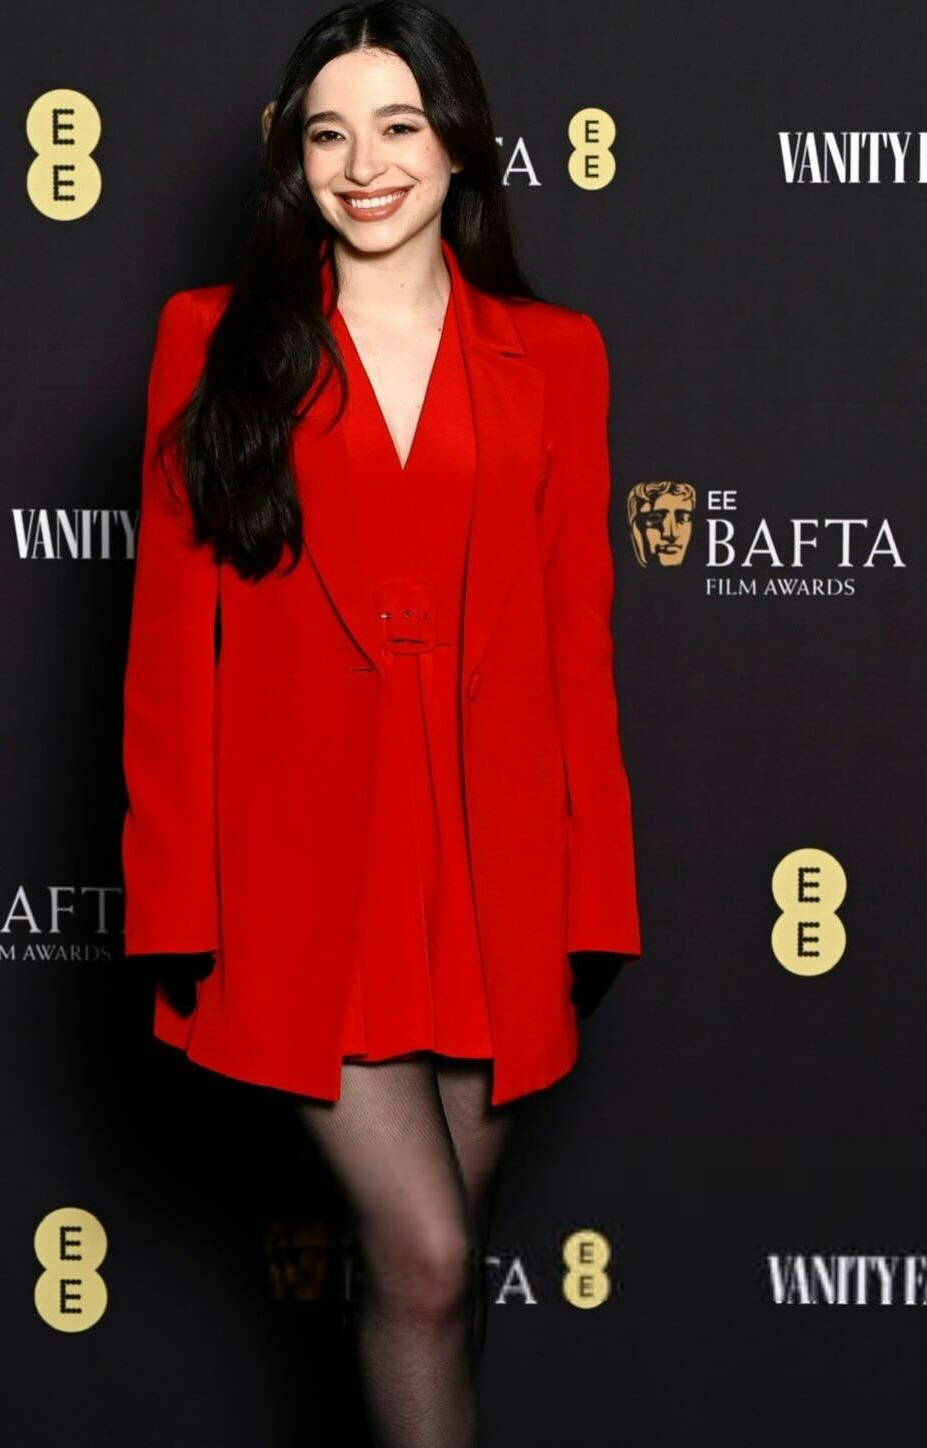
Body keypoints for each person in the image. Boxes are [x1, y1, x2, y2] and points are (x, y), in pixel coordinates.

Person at [120, 3, 642, 1443]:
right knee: (424, 1256)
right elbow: (168, 652)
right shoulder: (212, 339)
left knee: (439, 1282)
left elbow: (577, 644)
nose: (364, 166)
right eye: (329, 134)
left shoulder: (558, 354)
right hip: (300, 870)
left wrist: (595, 898)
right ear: (293, 159)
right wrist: (175, 901)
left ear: (459, 143)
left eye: (400, 126)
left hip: (493, 869)